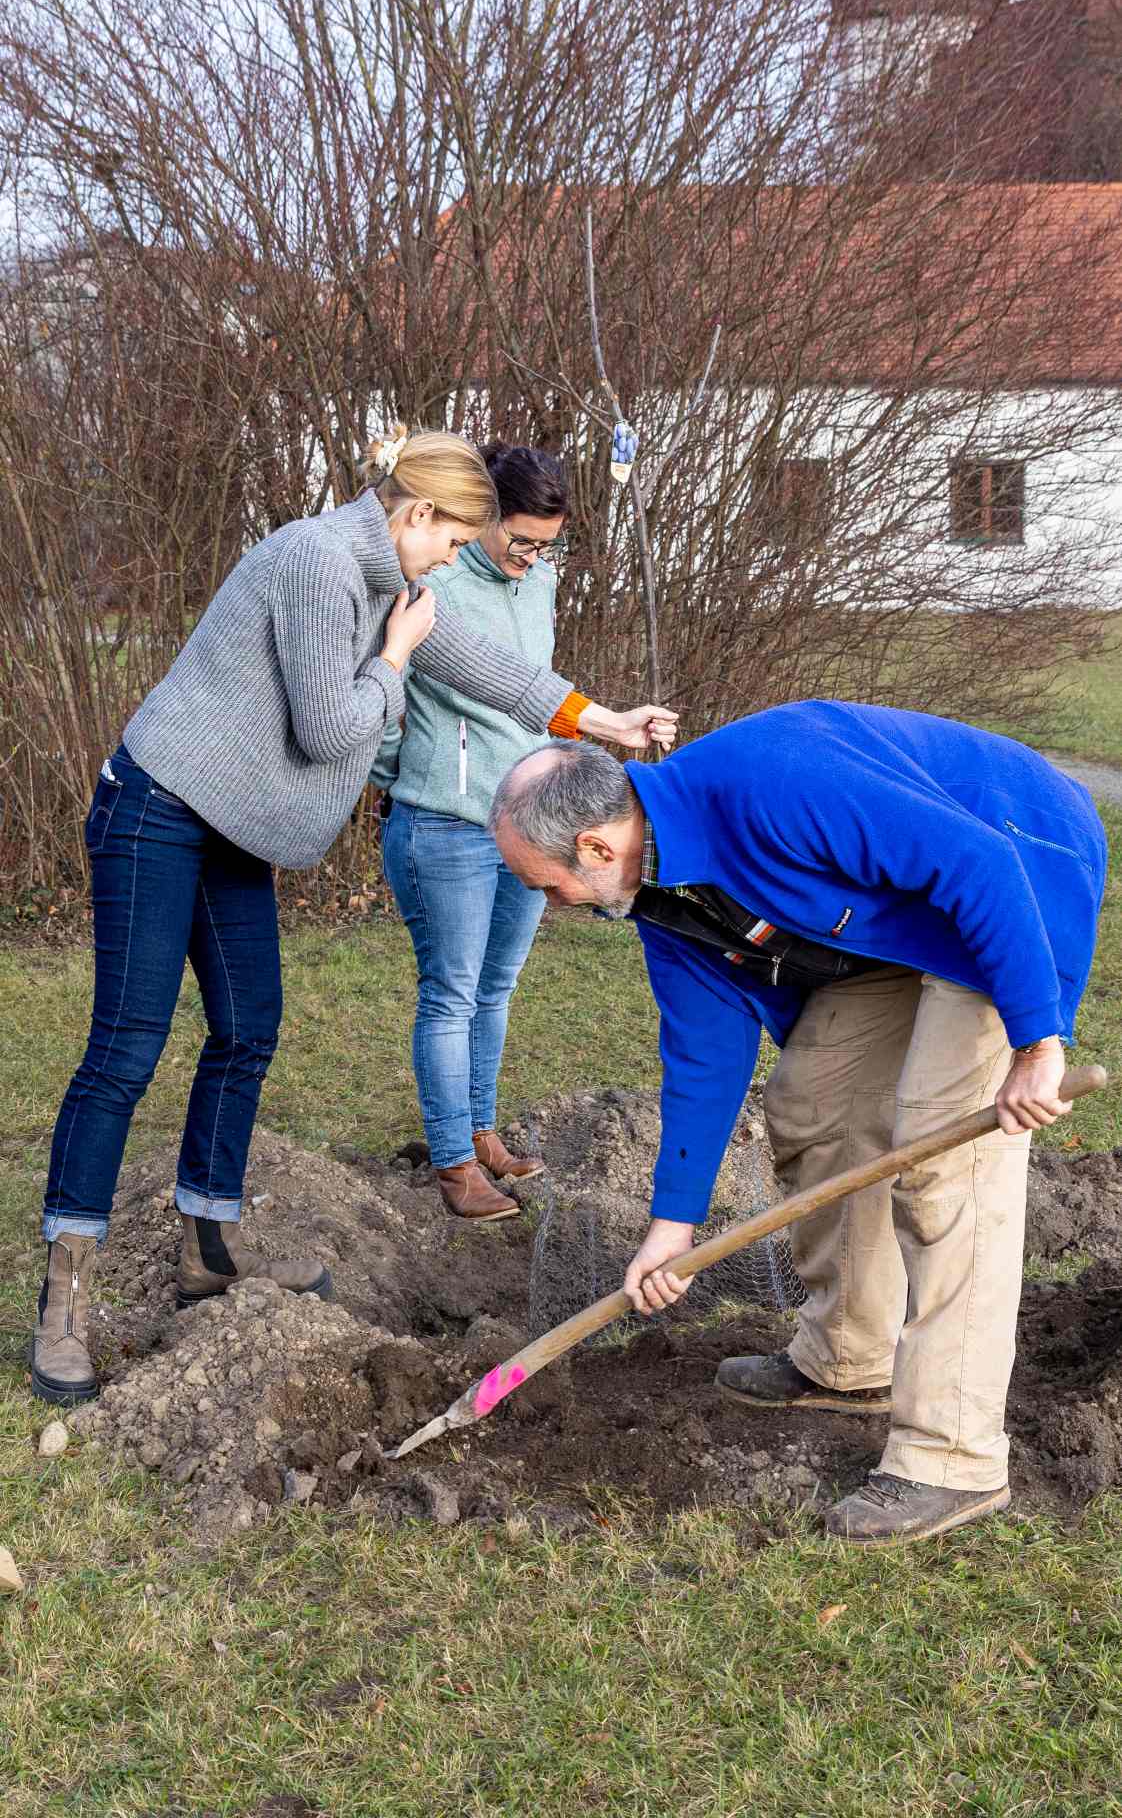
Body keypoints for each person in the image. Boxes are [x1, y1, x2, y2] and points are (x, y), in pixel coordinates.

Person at [32, 429, 677, 1405]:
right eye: (455, 541)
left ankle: (208, 1248)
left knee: (247, 1029)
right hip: (158, 809)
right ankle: (64, 1300)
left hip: (233, 826)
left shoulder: (389, 577)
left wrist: (603, 718)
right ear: (416, 514)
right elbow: (329, 725)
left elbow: (485, 664)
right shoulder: (317, 561)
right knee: (127, 1043)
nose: (459, 560)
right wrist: (394, 659)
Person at [487, 705, 1107, 1545]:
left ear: (595, 848)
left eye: (543, 884)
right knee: (813, 1104)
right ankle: (850, 1359)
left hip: (1015, 866)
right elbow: (703, 1061)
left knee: (946, 1165)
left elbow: (977, 862)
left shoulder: (772, 783)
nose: (550, 902)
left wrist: (1037, 1042)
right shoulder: (664, 904)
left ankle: (953, 1457)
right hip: (902, 930)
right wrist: (672, 1229)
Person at [373, 443, 573, 1222]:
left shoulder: (543, 580)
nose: (531, 557)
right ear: (482, 517)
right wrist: (403, 775)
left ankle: (482, 1132)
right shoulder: (435, 577)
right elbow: (390, 687)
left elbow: (533, 692)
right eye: (520, 539)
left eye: (547, 544)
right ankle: (453, 1162)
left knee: (497, 986)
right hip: (444, 825)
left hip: (524, 827)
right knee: (451, 994)